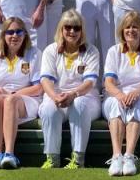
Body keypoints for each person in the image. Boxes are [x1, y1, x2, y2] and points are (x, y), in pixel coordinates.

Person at [38, 9, 102, 169]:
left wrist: (73, 94)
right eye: (68, 27)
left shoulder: (91, 51)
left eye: (76, 28)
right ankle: (52, 158)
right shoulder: (50, 50)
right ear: (61, 29)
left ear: (82, 30)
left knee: (79, 104)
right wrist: (55, 97)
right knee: (48, 108)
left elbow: (90, 82)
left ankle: (78, 158)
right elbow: (45, 80)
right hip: (57, 96)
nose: (72, 31)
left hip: (85, 96)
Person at [103, 10, 140, 176]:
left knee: (137, 105)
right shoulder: (114, 51)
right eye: (127, 27)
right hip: (117, 96)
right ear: (122, 30)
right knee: (116, 105)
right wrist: (120, 96)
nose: (131, 30)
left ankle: (129, 156)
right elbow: (108, 83)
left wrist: (138, 91)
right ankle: (116, 156)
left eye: (135, 27)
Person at [0, 17, 42, 169]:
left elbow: (39, 87)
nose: (14, 36)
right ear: (3, 35)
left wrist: (13, 93)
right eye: (10, 32)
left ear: (25, 34)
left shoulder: (34, 54)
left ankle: (9, 153)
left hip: (28, 99)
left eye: (19, 32)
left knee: (10, 100)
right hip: (2, 98)